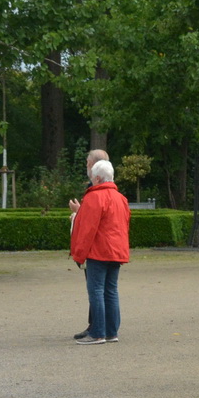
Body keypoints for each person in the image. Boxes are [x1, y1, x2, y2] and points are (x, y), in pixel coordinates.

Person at [69, 158, 130, 344]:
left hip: (98, 251)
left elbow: (86, 229)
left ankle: (97, 333)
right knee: (111, 291)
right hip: (116, 251)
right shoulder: (121, 199)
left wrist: (78, 253)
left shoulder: (93, 197)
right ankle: (112, 332)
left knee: (96, 290)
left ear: (96, 178)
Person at [69, 147, 109, 339]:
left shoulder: (97, 189)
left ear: (94, 164)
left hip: (96, 248)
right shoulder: (110, 189)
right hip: (110, 248)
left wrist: (78, 212)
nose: (86, 165)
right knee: (105, 290)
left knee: (97, 289)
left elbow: (92, 220)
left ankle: (97, 328)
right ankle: (101, 327)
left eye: (87, 162)